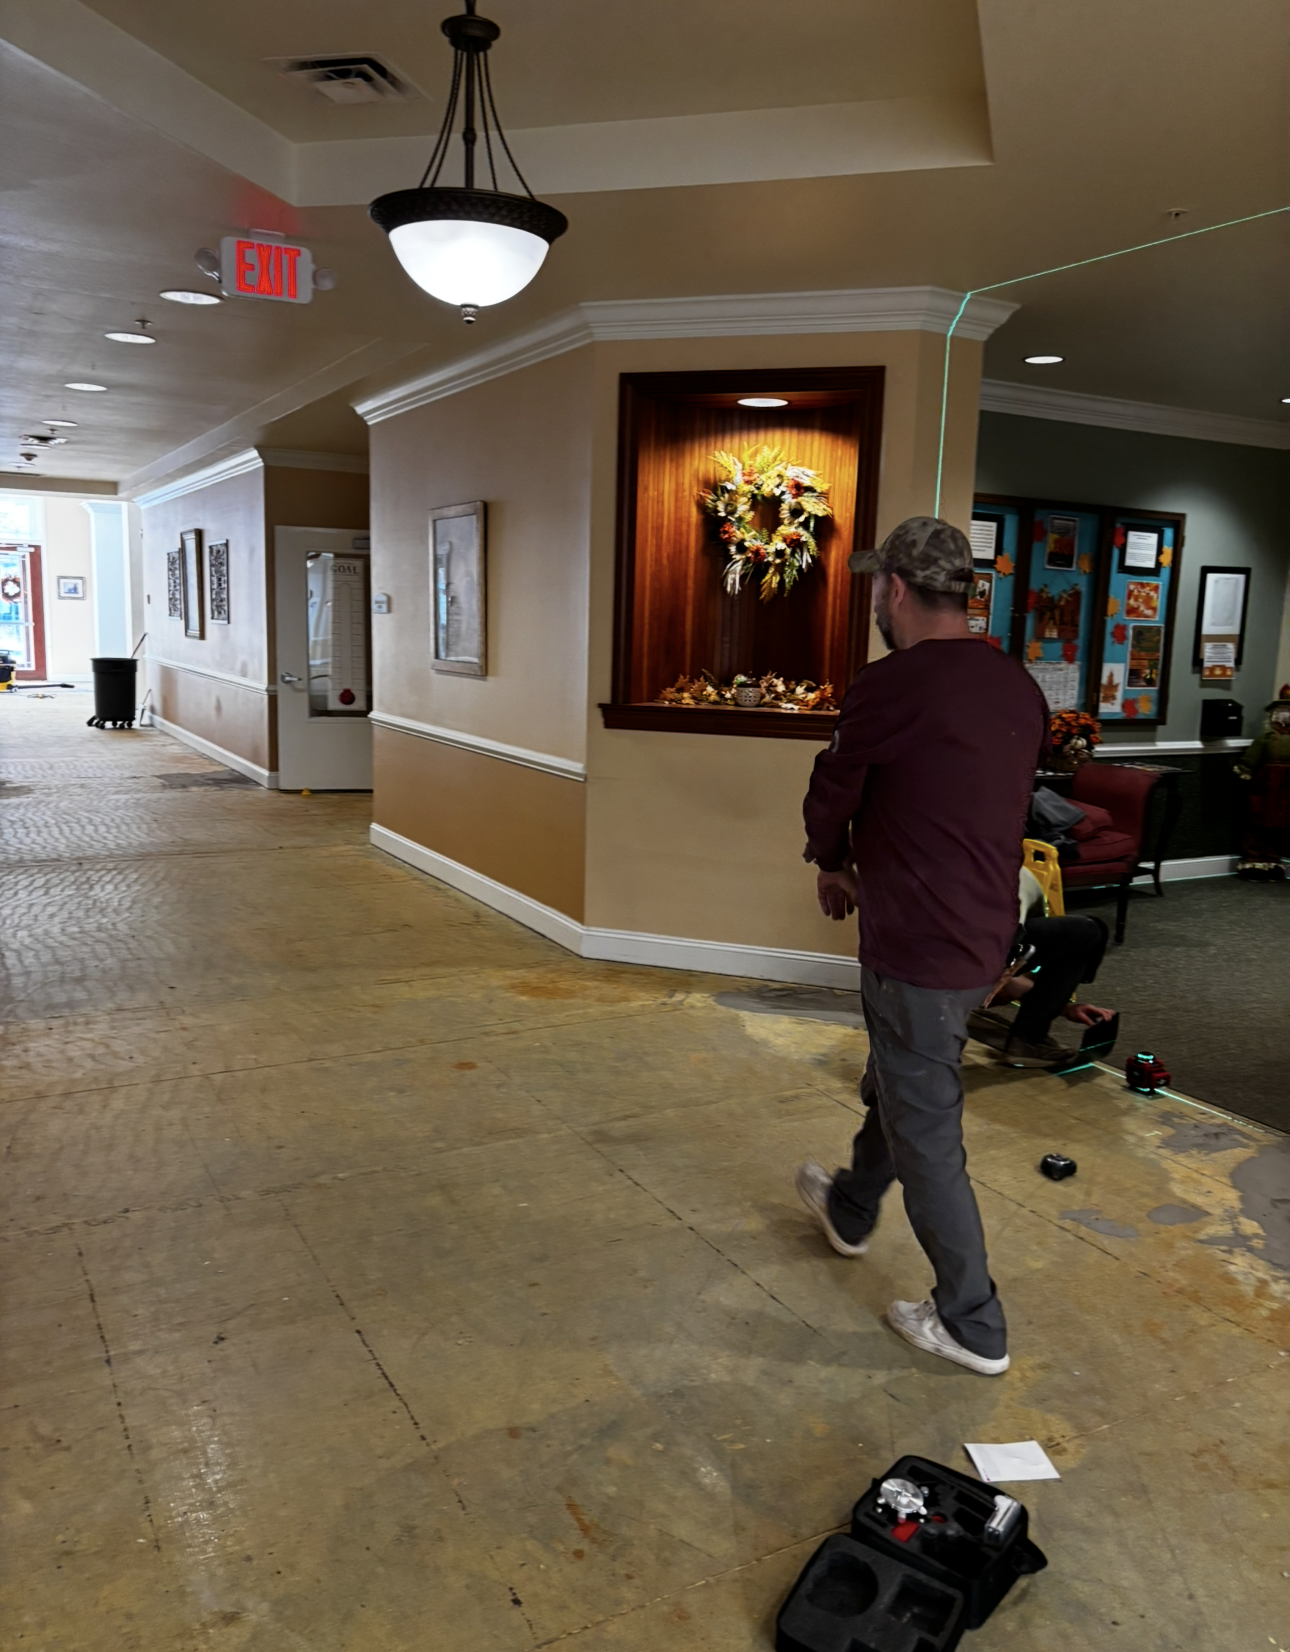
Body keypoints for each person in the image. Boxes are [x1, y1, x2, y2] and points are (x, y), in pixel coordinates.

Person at [796, 516, 1047, 1377]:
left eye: (876, 585)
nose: (876, 597)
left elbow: (833, 790)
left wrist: (831, 861)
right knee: (903, 1079)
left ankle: (971, 1321)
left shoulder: (890, 686)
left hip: (918, 943)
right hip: (983, 936)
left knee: (926, 1122)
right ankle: (854, 1206)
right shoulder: (1018, 686)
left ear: (893, 591)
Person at [968, 867, 1115, 1065]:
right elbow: (1003, 973)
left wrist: (1062, 1006)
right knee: (1088, 932)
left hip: (925, 976)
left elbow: (1007, 977)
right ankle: (1029, 1039)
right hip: (950, 971)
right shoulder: (1016, 877)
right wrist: (1049, 1002)